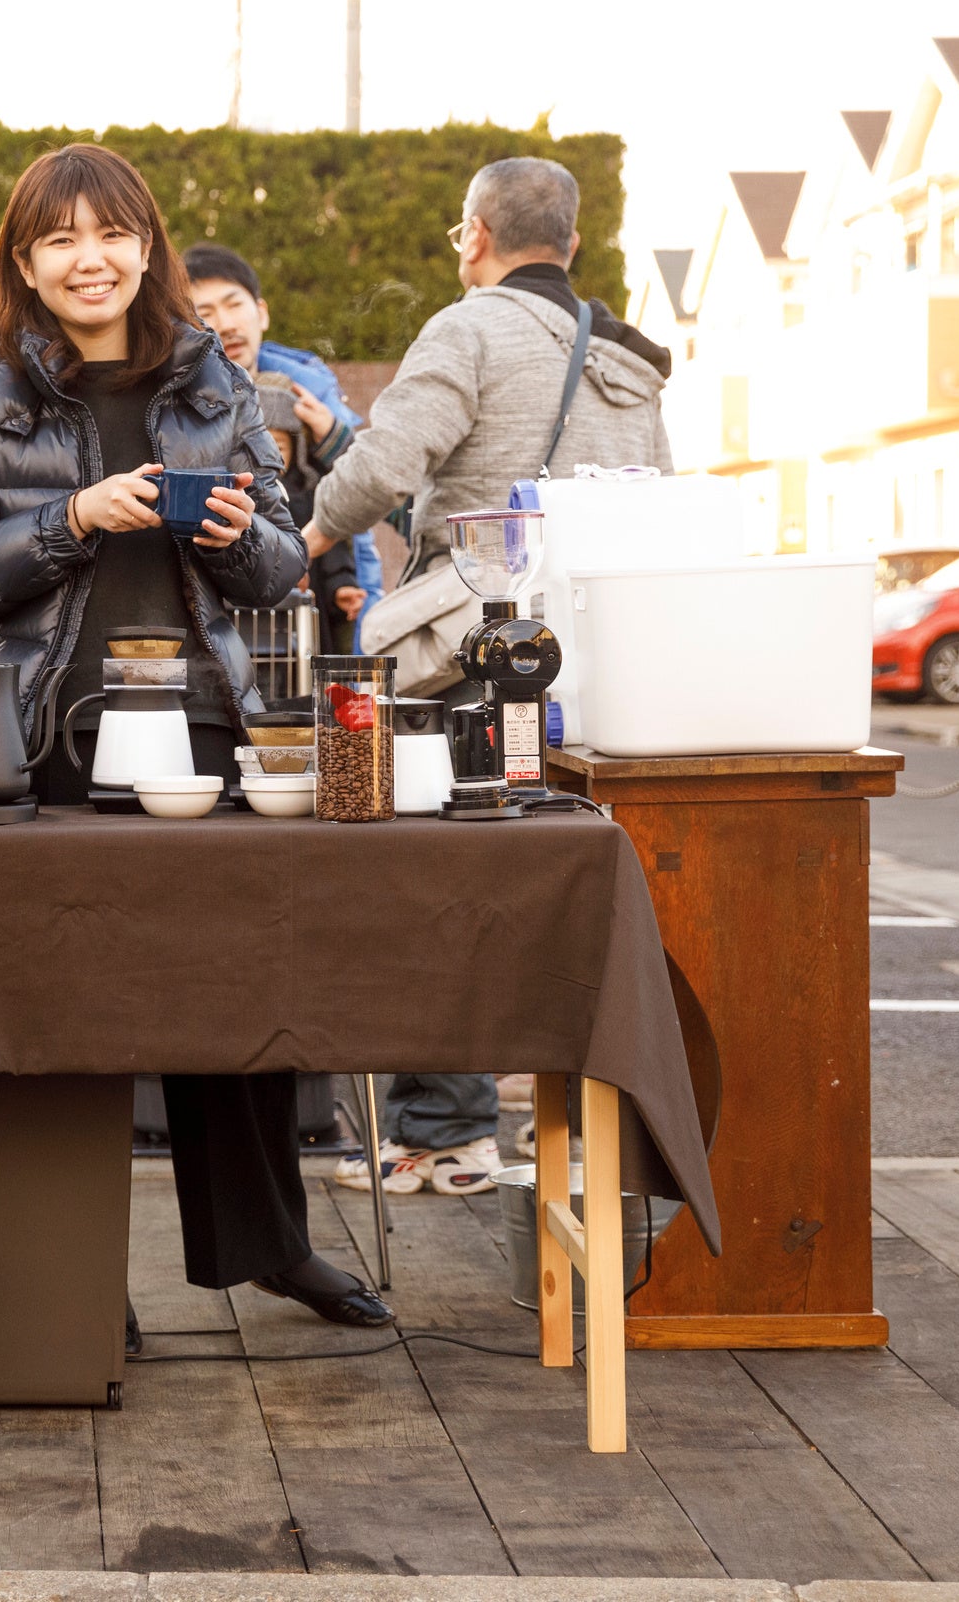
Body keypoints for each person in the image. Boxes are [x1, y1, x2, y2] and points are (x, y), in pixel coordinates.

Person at [0, 142, 391, 1329]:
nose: (90, 259)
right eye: (60, 239)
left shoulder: (211, 385)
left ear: (144, 248)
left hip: (207, 733)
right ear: (24, 262)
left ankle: (272, 1247)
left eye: (111, 234)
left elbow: (283, 562)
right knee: (62, 1007)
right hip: (49, 739)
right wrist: (69, 518)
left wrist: (232, 536)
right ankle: (70, 1273)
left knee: (237, 995)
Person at [304, 156, 677, 1198]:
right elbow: (658, 506)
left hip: (467, 661)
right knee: (560, 886)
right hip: (590, 661)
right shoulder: (630, 360)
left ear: (473, 233)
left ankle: (443, 1131)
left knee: (437, 884)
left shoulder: (465, 327)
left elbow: (384, 466)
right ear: (572, 243)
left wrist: (304, 535)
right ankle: (578, 1134)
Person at [183, 244, 386, 649]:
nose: (224, 324)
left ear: (261, 312)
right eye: (204, 312)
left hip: (311, 620)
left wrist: (333, 438)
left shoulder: (312, 397)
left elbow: (363, 508)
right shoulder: (176, 403)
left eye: (233, 304)